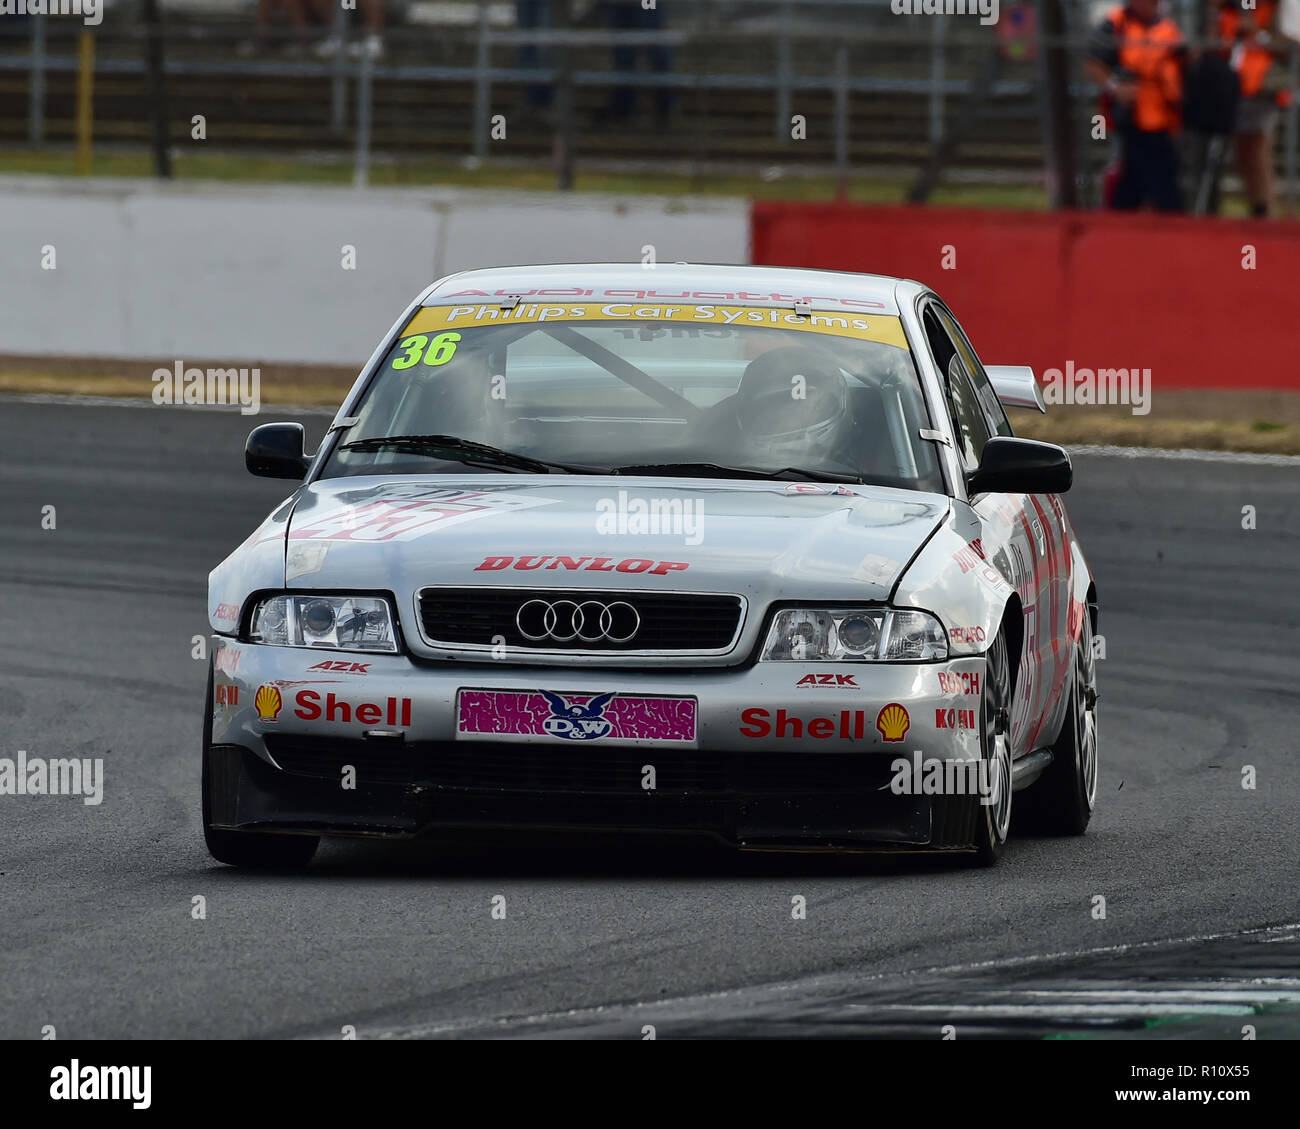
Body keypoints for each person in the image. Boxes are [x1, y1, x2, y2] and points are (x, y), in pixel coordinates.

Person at [1085, 0, 1187, 211]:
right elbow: (1092, 63)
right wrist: (1116, 87)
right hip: (1131, 118)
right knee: (1151, 184)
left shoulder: (1168, 29)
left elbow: (1183, 67)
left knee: (1143, 182)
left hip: (1164, 120)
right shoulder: (1116, 23)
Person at [1214, 0, 1292, 216]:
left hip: (1263, 87)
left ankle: (1267, 210)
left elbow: (1288, 48)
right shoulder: (1232, 9)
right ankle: (1257, 207)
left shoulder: (1274, 9)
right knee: (1243, 152)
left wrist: (1258, 33)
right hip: (1235, 87)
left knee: (1258, 149)